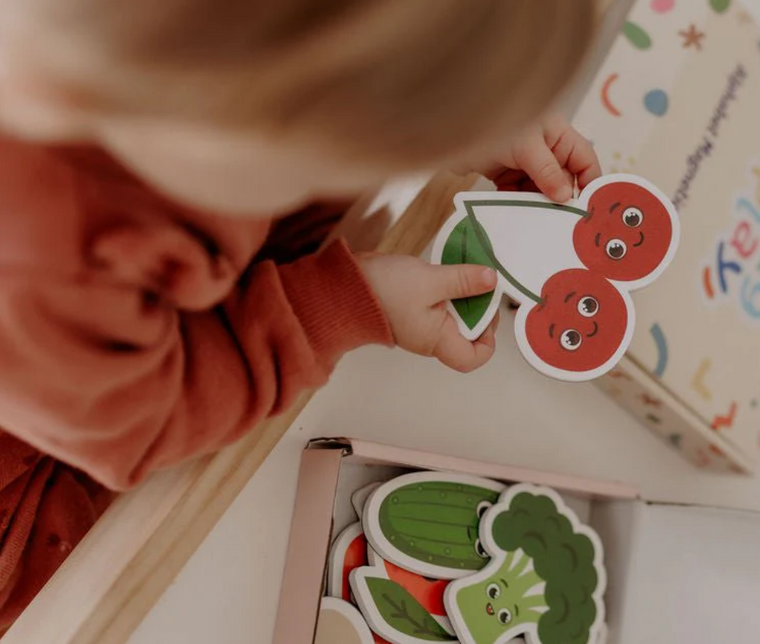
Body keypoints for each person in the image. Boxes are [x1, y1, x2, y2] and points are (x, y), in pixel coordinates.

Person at [0, 0, 602, 626]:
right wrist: (338, 304)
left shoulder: (194, 97)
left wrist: (460, 114)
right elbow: (149, 420)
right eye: (345, 153)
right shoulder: (46, 263)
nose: (368, 166)